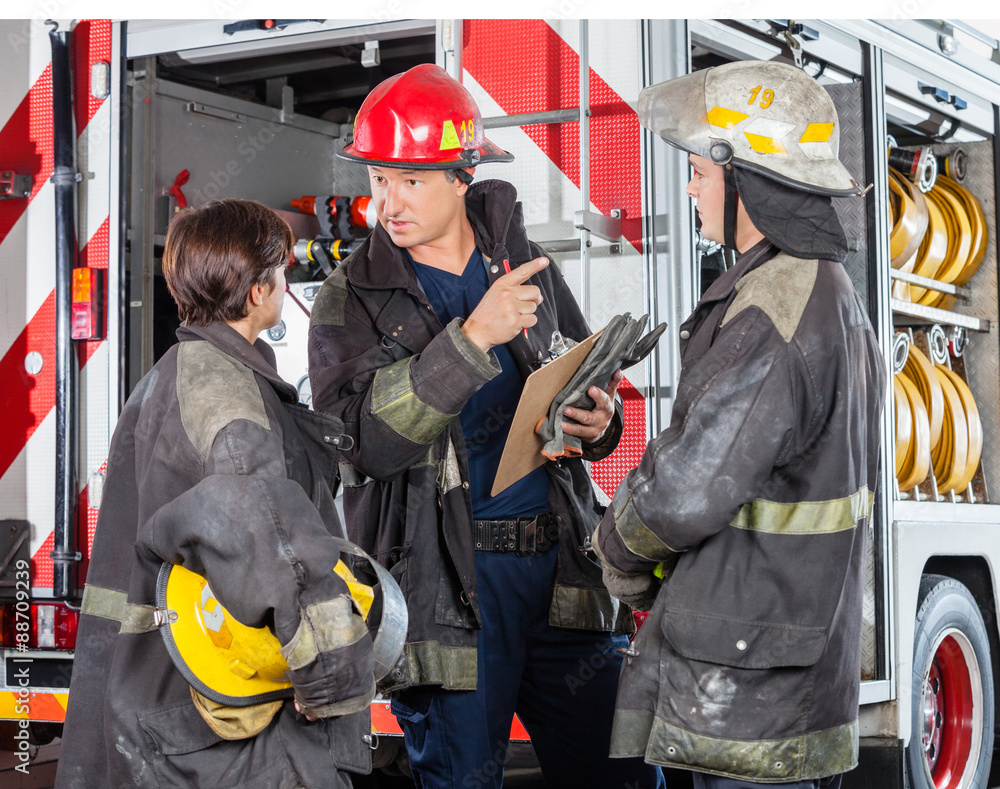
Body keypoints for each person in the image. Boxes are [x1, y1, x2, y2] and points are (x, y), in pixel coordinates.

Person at [307, 63, 662, 789]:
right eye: (378, 179)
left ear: (460, 176)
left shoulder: (524, 265)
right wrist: (471, 340)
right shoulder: (351, 298)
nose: (387, 202)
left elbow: (582, 371)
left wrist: (599, 419)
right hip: (448, 597)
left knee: (621, 774)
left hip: (561, 577)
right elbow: (358, 445)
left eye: (410, 180)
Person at [593, 60, 886, 789]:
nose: (691, 189)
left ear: (747, 177)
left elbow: (688, 488)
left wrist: (615, 551)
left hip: (749, 679)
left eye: (699, 172)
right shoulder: (827, 289)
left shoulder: (775, 304)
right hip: (784, 665)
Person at [56, 199, 376, 789]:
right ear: (258, 292)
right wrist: (333, 679)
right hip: (227, 725)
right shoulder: (227, 397)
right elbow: (273, 547)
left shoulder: (174, 373)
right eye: (279, 272)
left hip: (163, 696)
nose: (283, 284)